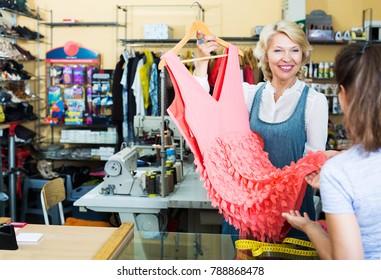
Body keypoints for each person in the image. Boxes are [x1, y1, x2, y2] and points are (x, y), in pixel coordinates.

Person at [194, 19, 329, 242]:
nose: (287, 58)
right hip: (249, 215)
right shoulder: (249, 94)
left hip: (293, 217)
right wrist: (202, 61)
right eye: (278, 50)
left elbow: (312, 164)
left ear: (303, 56)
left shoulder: (315, 102)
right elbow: (205, 108)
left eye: (295, 50)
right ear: (266, 55)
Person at [282, 42, 381, 260]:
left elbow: (347, 266)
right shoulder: (339, 171)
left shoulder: (340, 172)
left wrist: (311, 228)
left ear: (343, 96)